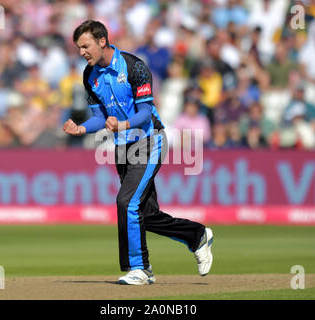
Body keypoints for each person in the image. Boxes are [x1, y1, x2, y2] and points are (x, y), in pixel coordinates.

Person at [63, 20, 213, 285]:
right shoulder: (89, 75)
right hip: (123, 147)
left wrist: (123, 124)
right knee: (146, 214)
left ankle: (140, 268)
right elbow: (99, 118)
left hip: (149, 140)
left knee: (127, 202)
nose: (81, 52)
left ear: (102, 41)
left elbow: (145, 114)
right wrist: (81, 128)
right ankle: (196, 235)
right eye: (78, 47)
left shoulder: (134, 67)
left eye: (85, 46)